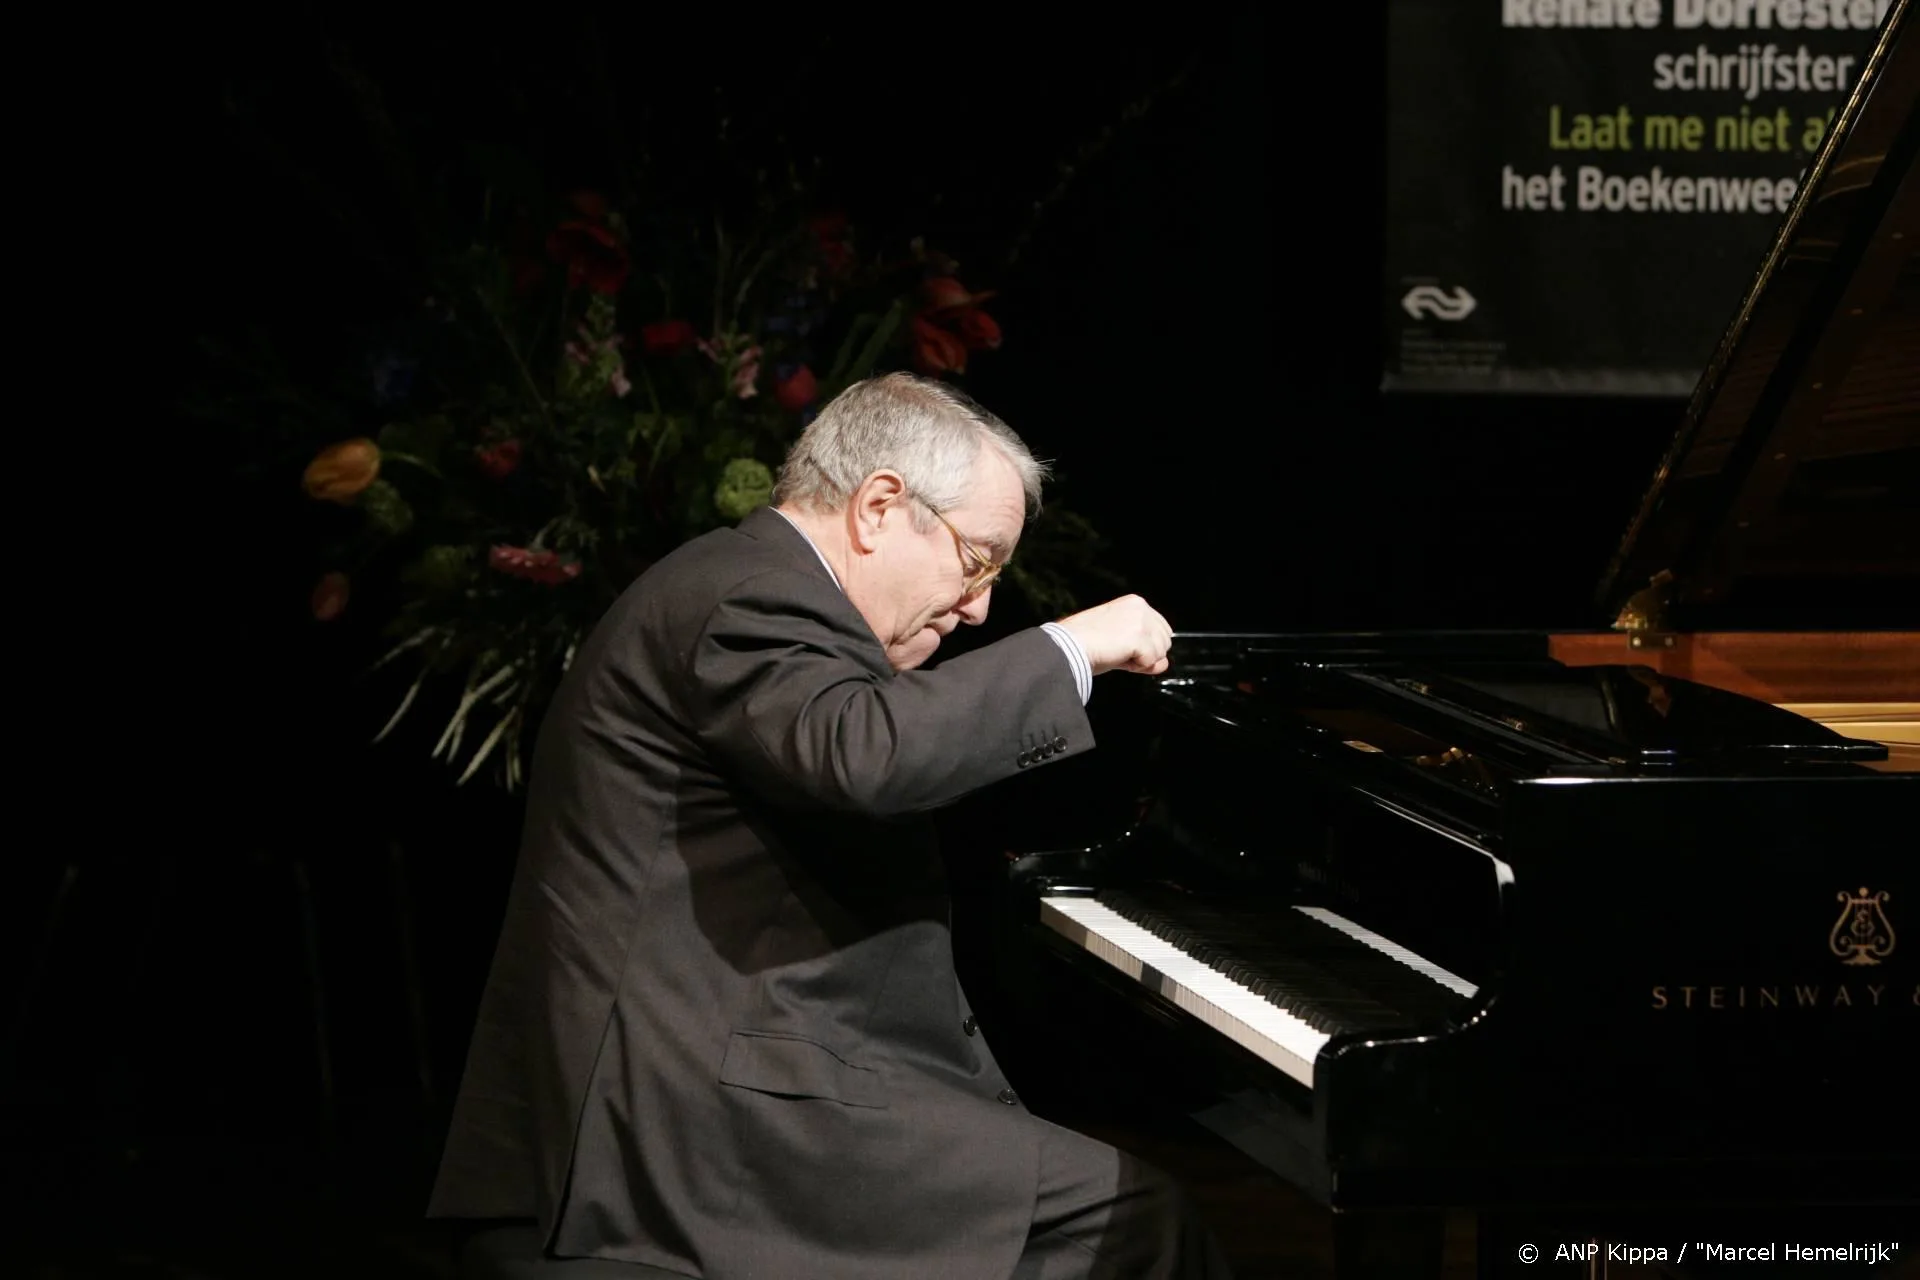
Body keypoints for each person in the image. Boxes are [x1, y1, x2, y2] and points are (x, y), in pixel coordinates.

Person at [429, 372, 1232, 1278]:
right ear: (879, 507)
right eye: (978, 561)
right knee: (1134, 1225)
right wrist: (1071, 648)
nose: (980, 606)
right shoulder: (751, 597)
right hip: (686, 1117)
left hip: (723, 1078)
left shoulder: (754, 586)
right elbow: (865, 752)